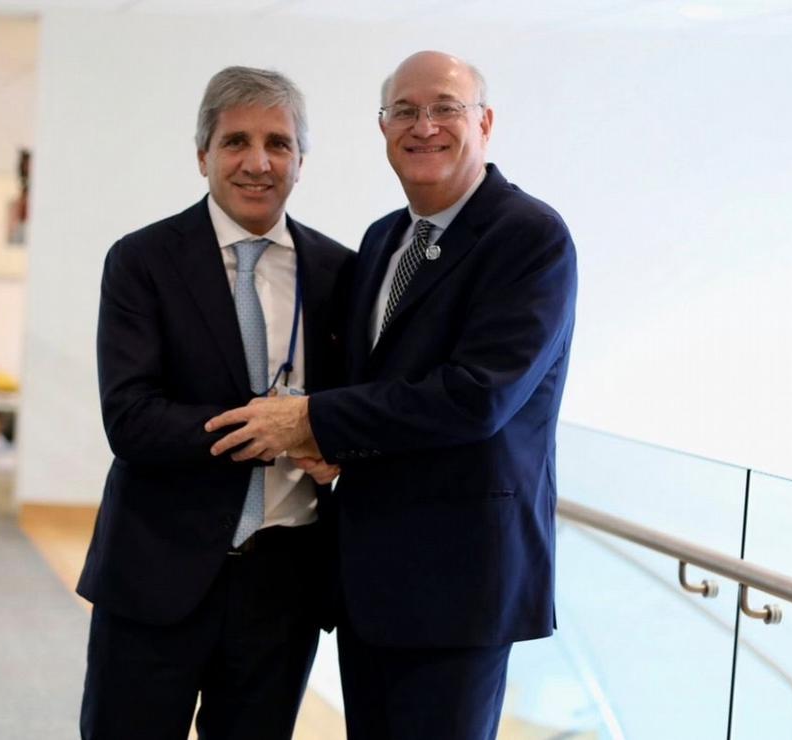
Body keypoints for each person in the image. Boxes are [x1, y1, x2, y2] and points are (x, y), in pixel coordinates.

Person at [205, 51, 578, 739]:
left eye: (445, 108)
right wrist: (331, 444)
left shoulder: (529, 236)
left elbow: (477, 397)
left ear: (485, 123)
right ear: (383, 128)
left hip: (459, 583)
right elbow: (371, 380)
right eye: (404, 111)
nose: (423, 125)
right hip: (371, 579)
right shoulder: (383, 239)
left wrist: (313, 420)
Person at [77, 66, 354, 740]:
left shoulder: (341, 273)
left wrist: (332, 443)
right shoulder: (141, 261)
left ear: (301, 160)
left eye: (279, 143)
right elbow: (131, 419)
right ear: (202, 154)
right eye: (236, 142)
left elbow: (351, 410)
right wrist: (273, 429)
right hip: (157, 572)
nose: (258, 163)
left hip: (284, 587)